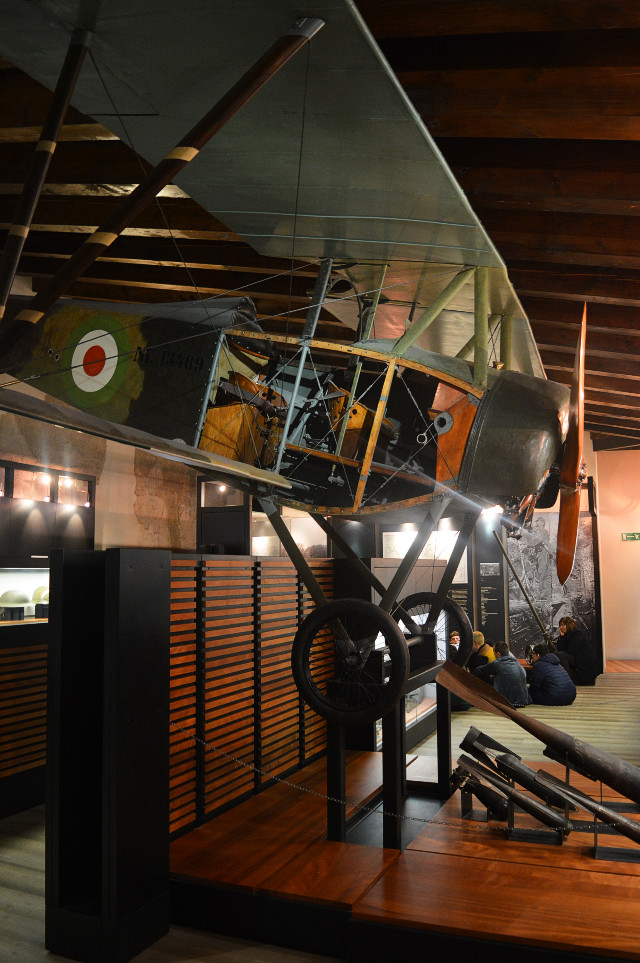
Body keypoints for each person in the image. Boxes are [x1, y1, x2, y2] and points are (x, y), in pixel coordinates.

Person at [474, 640, 531, 707]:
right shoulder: (517, 662)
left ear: (498, 654)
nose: (493, 655)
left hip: (507, 702)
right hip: (523, 701)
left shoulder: (497, 663)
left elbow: (478, 670)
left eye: (494, 652)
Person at [556, 616, 599, 686]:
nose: (561, 627)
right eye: (560, 625)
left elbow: (571, 650)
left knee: (561, 655)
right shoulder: (567, 635)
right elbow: (560, 649)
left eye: (563, 625)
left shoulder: (577, 633)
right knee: (560, 654)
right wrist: (562, 636)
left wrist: (564, 644)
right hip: (577, 658)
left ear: (568, 625)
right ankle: (566, 679)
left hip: (584, 660)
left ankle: (566, 680)